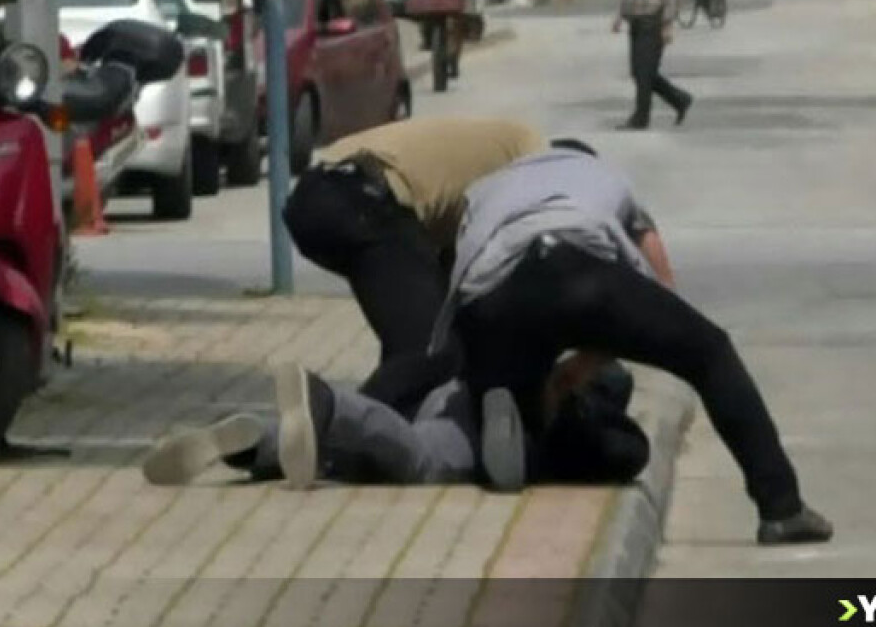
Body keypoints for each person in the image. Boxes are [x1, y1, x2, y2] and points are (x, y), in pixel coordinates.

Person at [427, 141, 833, 545]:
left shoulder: (486, 189)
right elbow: (661, 281)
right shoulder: (605, 178)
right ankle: (781, 507)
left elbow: (451, 260)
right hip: (576, 269)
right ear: (587, 159)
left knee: (518, 391)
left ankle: (507, 410)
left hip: (489, 296)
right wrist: (591, 358)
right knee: (710, 354)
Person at [280, 117, 547, 418]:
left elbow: (451, 287)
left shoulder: (504, 151)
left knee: (415, 342)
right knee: (433, 351)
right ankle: (332, 425)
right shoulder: (534, 163)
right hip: (363, 198)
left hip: (319, 194)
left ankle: (381, 440)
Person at [141, 354, 651, 491]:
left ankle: (257, 445)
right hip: (480, 423)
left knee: (363, 463)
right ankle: (327, 406)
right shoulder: (607, 407)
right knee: (418, 459)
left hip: (453, 385)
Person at [611, 0, 693, 131]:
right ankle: (680, 99)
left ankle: (641, 117)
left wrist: (667, 25)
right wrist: (620, 16)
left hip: (652, 23)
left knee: (644, 73)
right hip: (636, 23)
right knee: (640, 73)